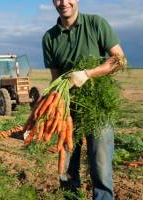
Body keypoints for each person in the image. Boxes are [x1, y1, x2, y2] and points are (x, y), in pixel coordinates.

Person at [42, 0, 126, 199]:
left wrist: (88, 73)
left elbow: (119, 59)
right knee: (66, 169)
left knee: (101, 166)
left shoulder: (96, 24)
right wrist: (51, 108)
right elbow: (55, 79)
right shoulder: (49, 37)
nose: (64, 3)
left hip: (98, 109)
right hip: (67, 113)